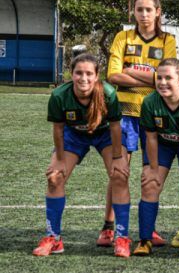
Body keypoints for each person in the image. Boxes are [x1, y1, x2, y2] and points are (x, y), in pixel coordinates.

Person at [33, 54, 131, 258]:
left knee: (119, 175)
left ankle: (121, 237)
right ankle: (54, 238)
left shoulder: (108, 94)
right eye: (78, 73)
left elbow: (115, 127)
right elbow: (58, 129)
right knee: (54, 178)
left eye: (89, 73)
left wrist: (117, 156)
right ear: (72, 74)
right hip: (74, 135)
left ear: (97, 76)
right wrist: (59, 159)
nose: (83, 78)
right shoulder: (60, 95)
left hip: (105, 135)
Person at [103, 0, 177, 248]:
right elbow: (112, 75)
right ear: (133, 12)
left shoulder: (168, 40)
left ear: (158, 12)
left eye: (149, 10)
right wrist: (151, 77)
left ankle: (149, 228)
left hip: (154, 115)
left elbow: (167, 77)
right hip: (124, 114)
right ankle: (108, 227)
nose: (144, 14)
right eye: (139, 9)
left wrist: (131, 71)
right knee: (119, 172)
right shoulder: (122, 37)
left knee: (151, 172)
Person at [133, 59, 179, 257]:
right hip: (161, 144)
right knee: (150, 183)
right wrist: (152, 168)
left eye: (169, 78)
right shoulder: (150, 102)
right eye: (159, 77)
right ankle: (145, 239)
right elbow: (150, 138)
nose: (163, 82)